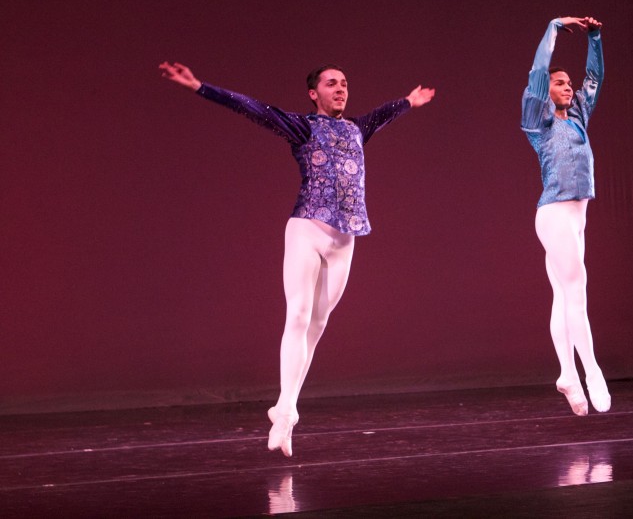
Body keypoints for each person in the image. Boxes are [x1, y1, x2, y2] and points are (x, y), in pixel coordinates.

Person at [159, 61, 435, 455]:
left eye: (344, 83)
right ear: (313, 93)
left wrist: (409, 101)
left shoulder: (357, 129)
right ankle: (287, 414)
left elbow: (384, 114)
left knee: (318, 326)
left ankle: (285, 406)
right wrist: (200, 86)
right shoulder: (302, 127)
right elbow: (252, 108)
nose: (340, 89)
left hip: (346, 238)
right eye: (331, 83)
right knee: (300, 316)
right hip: (307, 227)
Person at [521, 16, 610, 416]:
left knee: (562, 296)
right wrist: (553, 28)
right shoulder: (537, 121)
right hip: (554, 214)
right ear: (547, 91)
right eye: (560, 83)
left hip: (577, 217)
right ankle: (591, 371)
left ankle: (565, 374)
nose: (568, 86)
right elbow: (539, 72)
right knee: (577, 290)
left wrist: (595, 37)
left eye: (568, 83)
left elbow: (595, 76)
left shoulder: (577, 117)